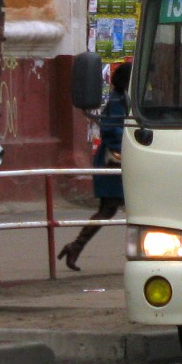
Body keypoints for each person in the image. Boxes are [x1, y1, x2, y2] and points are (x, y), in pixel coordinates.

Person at [59, 61, 131, 271]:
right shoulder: (118, 101)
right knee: (109, 210)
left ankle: (75, 247)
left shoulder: (123, 98)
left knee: (108, 211)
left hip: (117, 163)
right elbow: (112, 131)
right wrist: (129, 147)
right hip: (113, 165)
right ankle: (76, 247)